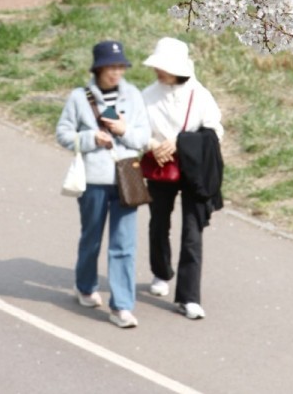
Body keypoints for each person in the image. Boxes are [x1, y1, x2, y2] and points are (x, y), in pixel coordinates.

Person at [56, 39, 150, 328]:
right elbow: (63, 134)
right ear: (98, 69)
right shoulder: (79, 98)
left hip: (128, 178)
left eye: (120, 67)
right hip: (95, 181)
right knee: (92, 238)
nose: (116, 73)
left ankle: (121, 306)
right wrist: (90, 139)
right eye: (111, 67)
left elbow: (143, 137)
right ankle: (84, 286)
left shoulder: (133, 96)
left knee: (124, 244)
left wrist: (123, 130)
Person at [141, 37, 223, 320]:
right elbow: (137, 130)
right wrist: (153, 146)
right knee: (158, 223)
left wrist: (179, 142)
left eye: (164, 67)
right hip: (160, 168)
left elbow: (214, 132)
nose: (159, 73)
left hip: (193, 172)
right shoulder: (147, 96)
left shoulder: (200, 95)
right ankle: (161, 273)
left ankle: (189, 296)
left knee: (192, 232)